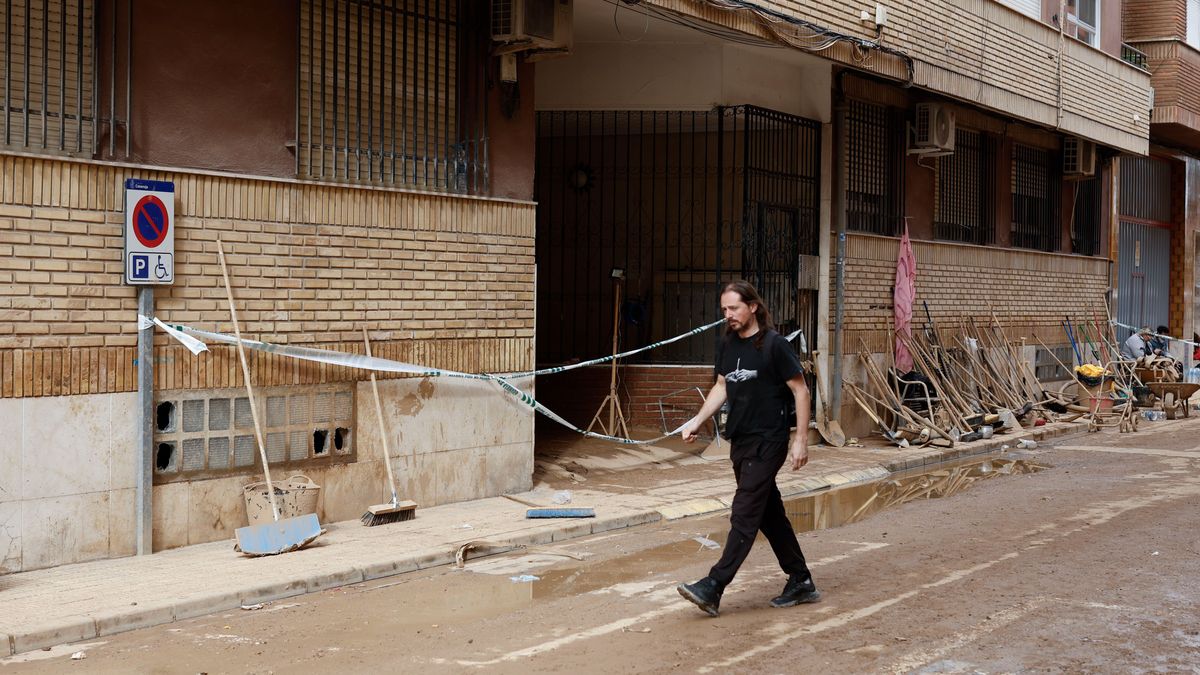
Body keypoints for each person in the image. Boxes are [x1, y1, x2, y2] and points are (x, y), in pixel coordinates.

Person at [675, 280, 817, 617]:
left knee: (744, 513)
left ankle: (714, 586)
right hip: (741, 440)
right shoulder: (727, 344)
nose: (728, 315)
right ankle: (801, 580)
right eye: (724, 309)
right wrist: (696, 420)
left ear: (753, 307)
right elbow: (722, 386)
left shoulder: (774, 345)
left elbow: (801, 391)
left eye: (734, 308)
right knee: (770, 514)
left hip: (769, 440)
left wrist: (800, 440)